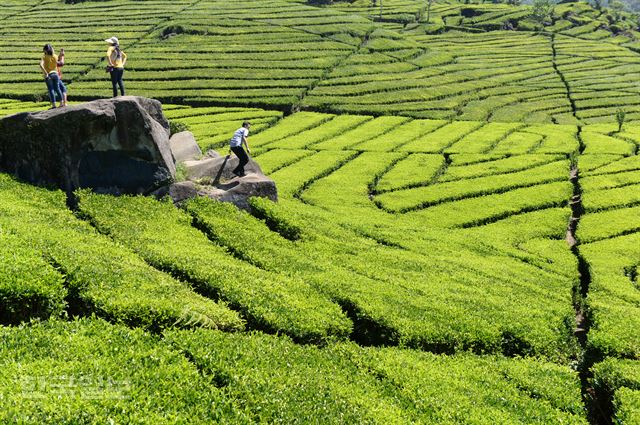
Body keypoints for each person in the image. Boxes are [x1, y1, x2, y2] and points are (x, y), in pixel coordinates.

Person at [40, 44, 64, 108]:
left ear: (45, 51)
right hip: (56, 74)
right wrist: (61, 53)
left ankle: (54, 105)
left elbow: (41, 65)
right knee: (57, 88)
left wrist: (45, 73)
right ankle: (61, 103)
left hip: (49, 75)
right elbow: (59, 59)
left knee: (51, 90)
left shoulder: (44, 57)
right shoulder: (55, 56)